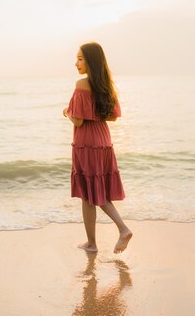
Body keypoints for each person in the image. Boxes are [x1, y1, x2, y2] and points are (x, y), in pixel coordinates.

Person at [62, 42, 133, 254]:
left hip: (87, 143)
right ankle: (91, 243)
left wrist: (66, 111)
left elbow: (78, 122)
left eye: (80, 58)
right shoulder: (106, 85)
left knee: (91, 194)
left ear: (91, 61)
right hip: (103, 141)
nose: (76, 63)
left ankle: (123, 229)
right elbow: (112, 116)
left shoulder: (81, 85)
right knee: (91, 193)